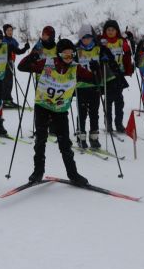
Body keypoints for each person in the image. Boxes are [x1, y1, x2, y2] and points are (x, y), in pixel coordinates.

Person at [18, 38, 99, 186]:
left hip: (60, 110)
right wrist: (30, 57)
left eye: (71, 55)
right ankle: (38, 172)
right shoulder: (48, 63)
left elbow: (95, 80)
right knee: (40, 140)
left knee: (65, 143)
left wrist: (96, 69)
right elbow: (22, 67)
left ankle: (73, 174)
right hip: (43, 106)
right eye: (65, 55)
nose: (69, 58)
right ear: (59, 54)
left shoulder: (76, 68)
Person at [76, 24, 114, 149]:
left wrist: (104, 60)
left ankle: (94, 137)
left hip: (95, 85)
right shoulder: (77, 50)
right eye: (84, 37)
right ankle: (81, 136)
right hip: (81, 86)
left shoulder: (98, 49)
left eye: (89, 37)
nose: (86, 40)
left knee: (94, 112)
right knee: (82, 112)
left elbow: (109, 57)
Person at [99, 19, 133, 133]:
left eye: (113, 30)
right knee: (108, 101)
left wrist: (129, 69)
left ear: (116, 31)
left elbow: (127, 55)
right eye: (108, 30)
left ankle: (119, 123)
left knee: (119, 101)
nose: (110, 32)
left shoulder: (120, 41)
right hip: (107, 74)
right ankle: (108, 123)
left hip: (119, 73)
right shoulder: (102, 41)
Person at [1, 23, 30, 108]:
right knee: (6, 82)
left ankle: (7, 100)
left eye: (11, 30)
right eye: (8, 30)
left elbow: (18, 51)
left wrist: (25, 48)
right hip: (3, 64)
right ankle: (6, 101)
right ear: (4, 31)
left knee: (9, 83)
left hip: (10, 63)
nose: (10, 32)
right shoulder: (2, 40)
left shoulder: (13, 41)